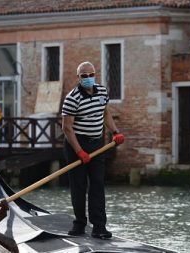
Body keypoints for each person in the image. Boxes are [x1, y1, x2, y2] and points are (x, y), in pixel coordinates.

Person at [62, 61, 125, 239]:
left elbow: (105, 113)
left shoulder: (102, 91)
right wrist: (79, 151)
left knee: (97, 185)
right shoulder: (72, 98)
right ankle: (80, 224)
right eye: (84, 76)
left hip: (97, 143)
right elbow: (67, 128)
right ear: (78, 77)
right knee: (79, 186)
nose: (88, 78)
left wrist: (115, 132)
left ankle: (99, 227)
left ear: (95, 75)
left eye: (91, 75)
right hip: (76, 144)